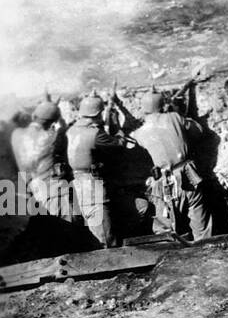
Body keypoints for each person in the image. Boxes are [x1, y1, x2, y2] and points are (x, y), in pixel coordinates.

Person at [130, 91, 213, 240]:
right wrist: (178, 113)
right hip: (188, 176)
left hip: (163, 183)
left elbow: (130, 148)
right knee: (200, 224)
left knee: (165, 229)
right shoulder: (174, 118)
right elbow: (199, 131)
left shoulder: (139, 133)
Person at [65, 96, 119, 246]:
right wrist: (115, 126)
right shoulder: (95, 133)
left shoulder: (71, 131)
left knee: (93, 228)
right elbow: (118, 145)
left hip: (77, 183)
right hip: (92, 184)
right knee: (105, 235)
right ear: (97, 114)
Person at [9, 101, 71, 217]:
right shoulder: (53, 136)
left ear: (34, 116)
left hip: (30, 191)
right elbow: (64, 133)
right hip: (51, 192)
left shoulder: (16, 134)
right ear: (54, 121)